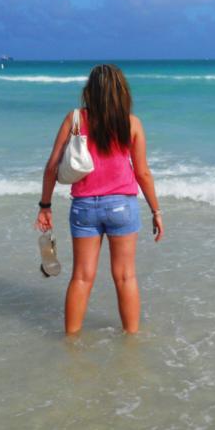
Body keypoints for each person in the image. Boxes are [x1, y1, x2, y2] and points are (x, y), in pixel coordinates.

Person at [36, 64, 163, 335]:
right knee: (125, 276)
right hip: (122, 206)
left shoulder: (75, 119)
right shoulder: (132, 123)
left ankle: (71, 342)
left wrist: (45, 206)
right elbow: (142, 172)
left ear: (89, 91)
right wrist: (156, 211)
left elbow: (51, 166)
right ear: (122, 91)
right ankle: (131, 341)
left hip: (84, 207)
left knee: (82, 277)